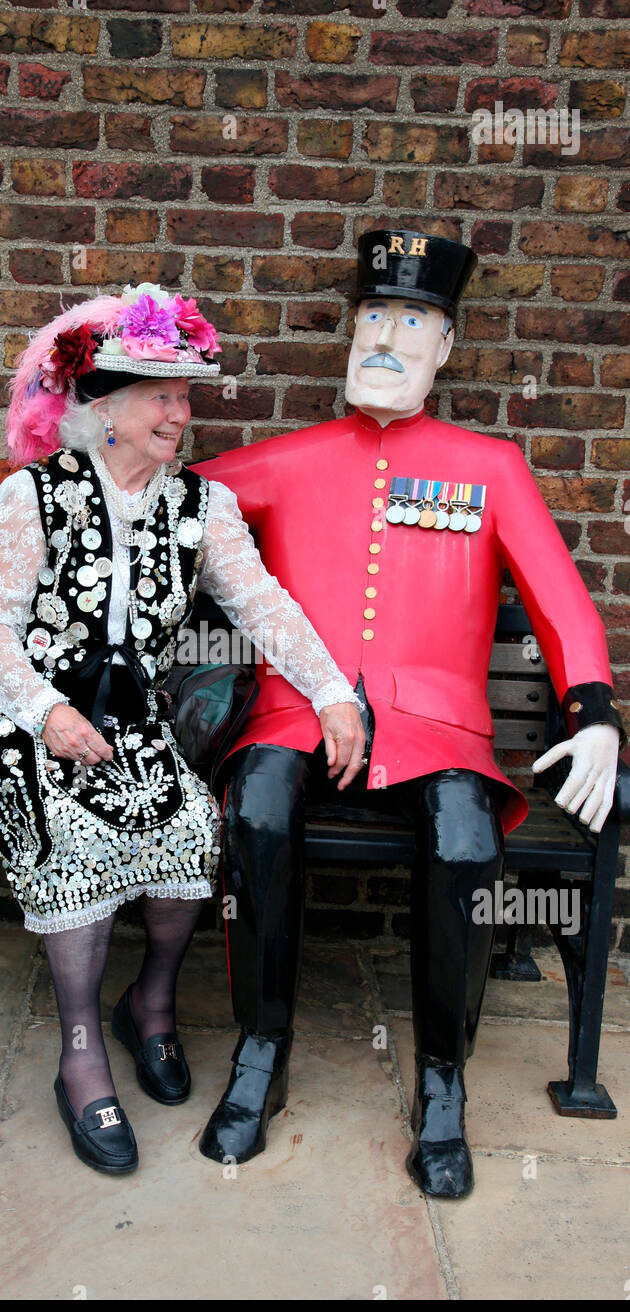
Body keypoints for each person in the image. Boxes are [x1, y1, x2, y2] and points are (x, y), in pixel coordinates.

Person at [192, 231, 625, 1197]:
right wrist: (28, 526)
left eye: (412, 321)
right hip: (299, 713)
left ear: (446, 344)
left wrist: (592, 712)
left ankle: (442, 1079)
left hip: (439, 728)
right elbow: (149, 503)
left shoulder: (489, 467)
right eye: (374, 317)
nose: (386, 337)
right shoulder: (291, 459)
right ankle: (262, 1052)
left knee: (468, 842)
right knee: (256, 809)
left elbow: (559, 599)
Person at [0, 282, 366, 1176]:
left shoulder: (201, 507)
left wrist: (333, 693)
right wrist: (45, 712)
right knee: (72, 831)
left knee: (186, 828)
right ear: (105, 410)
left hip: (127, 712)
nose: (182, 415)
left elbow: (264, 607)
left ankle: (152, 1003)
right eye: (162, 399)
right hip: (17, 709)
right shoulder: (34, 497)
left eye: (185, 400)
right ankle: (80, 1054)